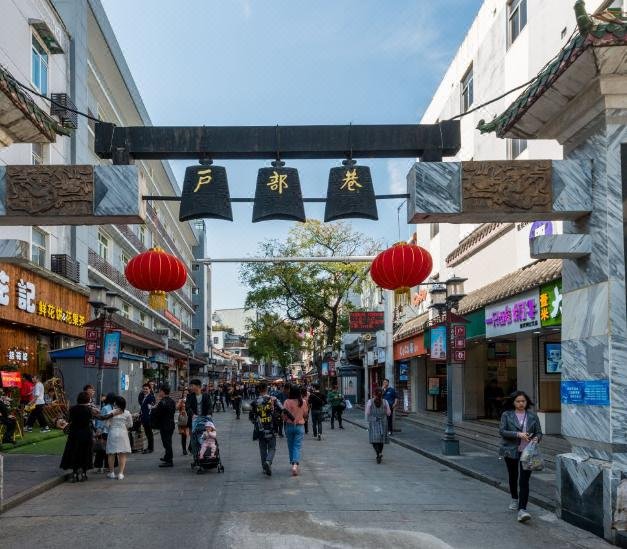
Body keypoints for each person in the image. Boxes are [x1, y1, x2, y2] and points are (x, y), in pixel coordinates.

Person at [499, 391, 543, 523]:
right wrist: (518, 434)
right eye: (518, 401)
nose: (521, 403)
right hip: (511, 450)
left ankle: (522, 509)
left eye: (523, 401)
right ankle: (514, 498)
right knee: (513, 476)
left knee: (524, 480)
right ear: (513, 402)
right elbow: (502, 431)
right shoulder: (507, 415)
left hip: (528, 452)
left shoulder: (532, 416)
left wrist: (536, 438)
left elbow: (539, 432)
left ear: (526, 402)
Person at [60, 391, 94, 482]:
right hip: (86, 433)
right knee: (85, 453)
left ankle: (75, 474)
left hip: (74, 433)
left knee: (75, 452)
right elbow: (92, 419)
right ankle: (83, 474)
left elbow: (69, 420)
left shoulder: (72, 409)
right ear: (87, 400)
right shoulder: (89, 409)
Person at [249, 382, 281, 476]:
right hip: (271, 427)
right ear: (267, 388)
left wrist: (256, 421)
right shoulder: (273, 399)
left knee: (262, 448)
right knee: (272, 447)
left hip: (260, 428)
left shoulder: (254, 402)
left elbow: (251, 416)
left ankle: (264, 467)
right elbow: (281, 409)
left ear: (259, 389)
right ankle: (268, 461)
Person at [104, 396, 133, 480]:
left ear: (115, 403)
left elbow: (107, 424)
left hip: (112, 433)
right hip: (123, 433)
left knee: (111, 453)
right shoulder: (127, 413)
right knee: (122, 454)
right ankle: (120, 473)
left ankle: (112, 473)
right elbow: (130, 424)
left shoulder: (111, 412)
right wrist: (124, 426)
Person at [283, 385, 308, 476]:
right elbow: (305, 414)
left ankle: (292, 463)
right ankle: (295, 464)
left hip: (289, 426)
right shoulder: (303, 402)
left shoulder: (287, 402)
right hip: (299, 426)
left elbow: (284, 416)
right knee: (297, 446)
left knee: (290, 445)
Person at [152, 385, 176, 468]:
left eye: (160, 391)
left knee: (167, 443)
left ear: (162, 392)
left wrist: (154, 408)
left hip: (164, 425)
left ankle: (169, 460)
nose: (159, 392)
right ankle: (167, 457)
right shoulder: (172, 401)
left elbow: (157, 413)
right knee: (168, 442)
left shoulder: (162, 402)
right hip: (170, 424)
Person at [366, 388, 391, 463]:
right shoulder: (385, 401)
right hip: (383, 422)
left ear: (374, 393)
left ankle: (378, 453)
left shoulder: (370, 401)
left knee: (374, 439)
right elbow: (388, 413)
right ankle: (380, 452)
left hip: (374, 421)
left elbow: (368, 412)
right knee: (381, 440)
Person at [94, 393, 115, 474]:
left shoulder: (105, 408)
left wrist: (99, 429)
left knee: (102, 449)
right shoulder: (113, 408)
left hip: (105, 431)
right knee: (108, 450)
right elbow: (102, 419)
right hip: (109, 431)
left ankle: (100, 466)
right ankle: (107, 466)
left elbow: (101, 420)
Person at [138, 383, 156, 454]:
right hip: (144, 418)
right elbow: (143, 407)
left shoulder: (151, 397)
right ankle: (149, 447)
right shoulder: (144, 397)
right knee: (147, 433)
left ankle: (150, 448)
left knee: (149, 433)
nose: (145, 390)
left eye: (146, 389)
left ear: (150, 389)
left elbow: (151, 408)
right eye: (144, 389)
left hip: (148, 418)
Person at [176, 388, 190, 456]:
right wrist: (180, 402)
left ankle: (190, 447)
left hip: (190, 418)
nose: (186, 394)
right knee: (184, 435)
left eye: (187, 393)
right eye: (184, 393)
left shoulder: (191, 400)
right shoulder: (181, 400)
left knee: (192, 434)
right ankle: (184, 449)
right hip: (183, 419)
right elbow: (177, 408)